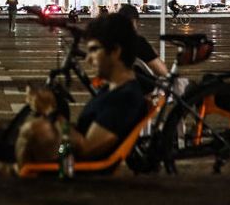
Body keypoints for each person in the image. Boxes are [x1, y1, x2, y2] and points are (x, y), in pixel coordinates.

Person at [15, 12, 148, 167]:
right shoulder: (113, 90)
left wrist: (51, 111)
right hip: (62, 159)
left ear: (115, 51)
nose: (87, 59)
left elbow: (86, 148)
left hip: (69, 170)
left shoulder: (124, 98)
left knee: (33, 129)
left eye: (94, 50)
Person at [119, 4, 168, 80]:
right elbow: (162, 71)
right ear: (134, 21)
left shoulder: (109, 42)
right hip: (140, 88)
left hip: (111, 89)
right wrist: (152, 53)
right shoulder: (138, 42)